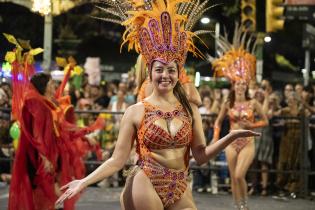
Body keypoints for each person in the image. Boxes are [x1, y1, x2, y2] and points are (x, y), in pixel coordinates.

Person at [56, 1, 260, 210]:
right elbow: (117, 160)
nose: (165, 75)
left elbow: (200, 156)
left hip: (180, 184)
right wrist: (84, 181)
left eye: (171, 70)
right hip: (146, 180)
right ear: (150, 73)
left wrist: (231, 136)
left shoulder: (190, 109)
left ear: (178, 74)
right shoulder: (135, 111)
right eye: (159, 69)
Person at [209, 24, 268, 209]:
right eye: (238, 84)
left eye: (244, 84)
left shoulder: (254, 103)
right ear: (234, 86)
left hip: (248, 142)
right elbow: (218, 122)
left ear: (247, 86)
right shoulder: (228, 103)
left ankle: (244, 204)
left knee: (239, 175)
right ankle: (238, 206)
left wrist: (252, 124)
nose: (241, 86)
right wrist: (217, 139)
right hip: (230, 142)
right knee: (233, 177)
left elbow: (265, 121)